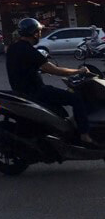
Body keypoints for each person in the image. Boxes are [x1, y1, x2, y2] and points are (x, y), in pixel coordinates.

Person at [7, 17, 96, 146]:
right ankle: (84, 135)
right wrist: (79, 71)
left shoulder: (12, 49)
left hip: (20, 91)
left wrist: (38, 70)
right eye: (39, 32)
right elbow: (55, 70)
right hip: (36, 92)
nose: (40, 34)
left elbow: (22, 67)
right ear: (34, 33)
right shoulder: (30, 51)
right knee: (76, 99)